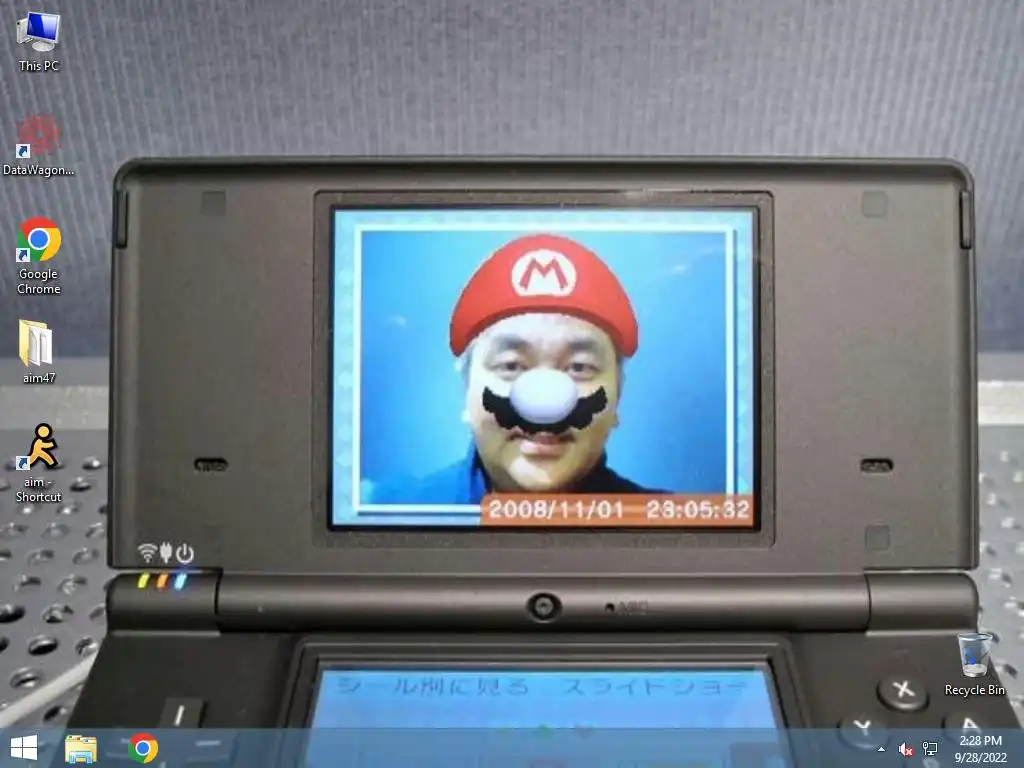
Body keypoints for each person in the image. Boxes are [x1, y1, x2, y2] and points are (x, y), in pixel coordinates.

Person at [370, 233, 659, 505]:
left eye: (579, 367)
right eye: (511, 365)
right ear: (466, 390)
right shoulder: (387, 514)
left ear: (618, 395)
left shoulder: (670, 524)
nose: (545, 406)